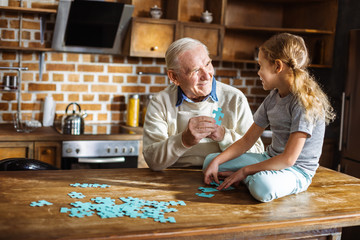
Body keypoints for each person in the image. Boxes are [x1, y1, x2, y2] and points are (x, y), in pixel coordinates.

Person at [203, 33, 336, 202]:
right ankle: (247, 177)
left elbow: (288, 159)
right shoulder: (272, 98)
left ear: (277, 66)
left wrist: (245, 171)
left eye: (260, 66)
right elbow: (246, 142)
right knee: (210, 162)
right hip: (270, 159)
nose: (258, 72)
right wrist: (217, 161)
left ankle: (245, 178)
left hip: (296, 171)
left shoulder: (303, 103)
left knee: (262, 186)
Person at [142, 37, 264, 171]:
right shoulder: (160, 102)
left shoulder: (235, 99)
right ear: (174, 77)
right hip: (174, 176)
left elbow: (257, 154)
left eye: (207, 64)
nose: (207, 76)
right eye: (195, 70)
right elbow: (152, 161)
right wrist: (184, 140)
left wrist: (224, 136)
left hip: (223, 175)